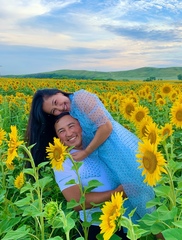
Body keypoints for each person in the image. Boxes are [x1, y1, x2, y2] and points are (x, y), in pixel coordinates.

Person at [26, 88, 155, 221]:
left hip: (115, 148)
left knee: (143, 196)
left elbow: (106, 127)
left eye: (55, 102)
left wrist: (86, 152)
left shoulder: (80, 98)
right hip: (105, 152)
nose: (59, 108)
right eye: (54, 111)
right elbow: (76, 201)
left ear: (58, 92)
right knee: (135, 200)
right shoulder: (70, 112)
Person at [53, 112, 128, 239]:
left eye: (71, 126)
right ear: (58, 137)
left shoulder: (101, 145)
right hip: (98, 225)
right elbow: (76, 202)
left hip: (126, 217)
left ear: (81, 125)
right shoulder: (62, 161)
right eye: (62, 131)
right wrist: (117, 193)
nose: (69, 133)